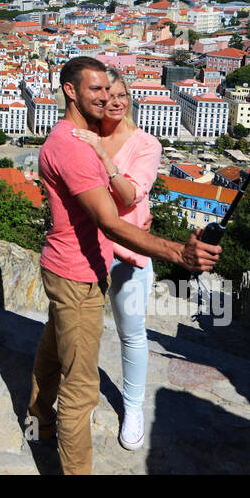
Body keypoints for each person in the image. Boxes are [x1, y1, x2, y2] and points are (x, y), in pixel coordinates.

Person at [27, 56, 218, 475]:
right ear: (70, 91)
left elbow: (125, 198)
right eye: (94, 89)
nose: (103, 97)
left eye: (109, 90)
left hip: (67, 264)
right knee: (81, 389)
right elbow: (111, 221)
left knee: (53, 348)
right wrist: (178, 254)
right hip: (77, 272)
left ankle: (37, 423)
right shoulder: (75, 147)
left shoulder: (71, 137)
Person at [68, 68, 161, 451]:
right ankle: (81, 398)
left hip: (130, 254)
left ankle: (133, 407)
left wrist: (101, 153)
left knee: (132, 332)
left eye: (122, 95)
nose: (115, 102)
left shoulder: (146, 144)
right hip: (89, 249)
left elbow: (128, 197)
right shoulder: (82, 134)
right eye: (107, 96)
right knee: (82, 331)